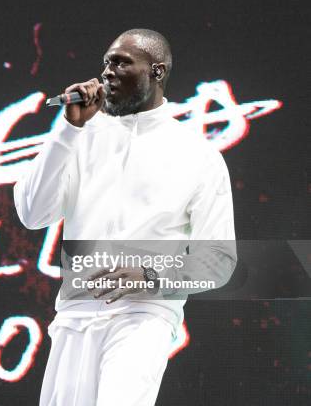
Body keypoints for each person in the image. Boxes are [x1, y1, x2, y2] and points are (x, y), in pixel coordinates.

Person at [13, 29, 237, 405]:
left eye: (121, 62)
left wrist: (151, 276)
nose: (107, 73)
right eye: (106, 62)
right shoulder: (80, 137)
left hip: (144, 313)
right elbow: (32, 214)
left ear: (157, 71)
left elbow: (218, 259)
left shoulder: (197, 154)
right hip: (74, 312)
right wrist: (67, 130)